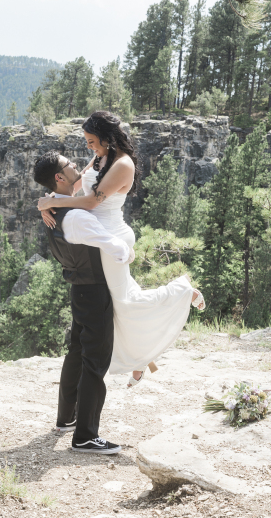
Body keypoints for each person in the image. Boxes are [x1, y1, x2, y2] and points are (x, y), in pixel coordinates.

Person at [38, 111, 205, 389]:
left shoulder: (122, 164)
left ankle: (183, 291)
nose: (89, 147)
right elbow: (76, 184)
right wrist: (48, 199)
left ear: (106, 138)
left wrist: (51, 203)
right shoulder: (101, 157)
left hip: (111, 238)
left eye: (92, 141)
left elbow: (91, 201)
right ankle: (143, 359)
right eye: (88, 142)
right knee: (120, 302)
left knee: (124, 303)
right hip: (98, 236)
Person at [34, 151, 136, 454]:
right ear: (59, 177)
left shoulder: (53, 207)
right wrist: (129, 252)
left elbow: (86, 168)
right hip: (95, 292)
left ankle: (66, 420)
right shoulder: (76, 216)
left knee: (77, 353)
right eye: (70, 165)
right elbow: (116, 249)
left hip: (78, 290)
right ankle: (86, 436)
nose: (78, 166)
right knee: (95, 362)